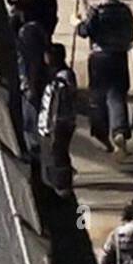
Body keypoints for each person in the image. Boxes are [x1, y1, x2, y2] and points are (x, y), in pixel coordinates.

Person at [75, 0, 133, 154]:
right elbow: (131, 34)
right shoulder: (124, 10)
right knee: (117, 96)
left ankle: (102, 135)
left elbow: (85, 31)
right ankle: (119, 131)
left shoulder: (96, 11)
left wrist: (77, 23)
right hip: (119, 56)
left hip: (99, 58)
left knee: (98, 97)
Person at [37, 43, 77, 197]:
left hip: (58, 125)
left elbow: (55, 107)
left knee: (57, 155)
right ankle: (61, 182)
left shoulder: (60, 82)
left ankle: (62, 185)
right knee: (58, 154)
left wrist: (51, 127)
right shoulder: (65, 76)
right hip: (63, 124)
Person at [12, 10, 50, 156]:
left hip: (30, 86)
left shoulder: (25, 38)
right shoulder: (37, 31)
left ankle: (35, 155)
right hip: (37, 84)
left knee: (30, 125)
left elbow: (28, 66)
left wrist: (29, 86)